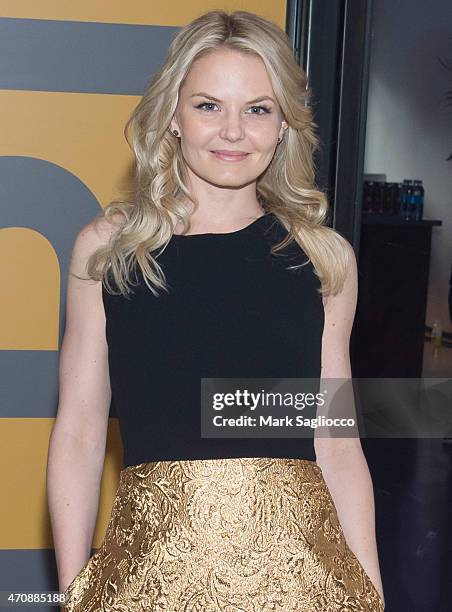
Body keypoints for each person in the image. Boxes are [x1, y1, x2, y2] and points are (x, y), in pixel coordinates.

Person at [47, 9, 385, 611]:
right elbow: (78, 430)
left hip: (303, 583)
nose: (233, 131)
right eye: (209, 106)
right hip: (147, 581)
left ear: (283, 125)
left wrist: (371, 591)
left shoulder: (322, 258)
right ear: (173, 116)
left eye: (258, 109)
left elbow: (336, 443)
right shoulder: (109, 250)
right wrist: (75, 589)